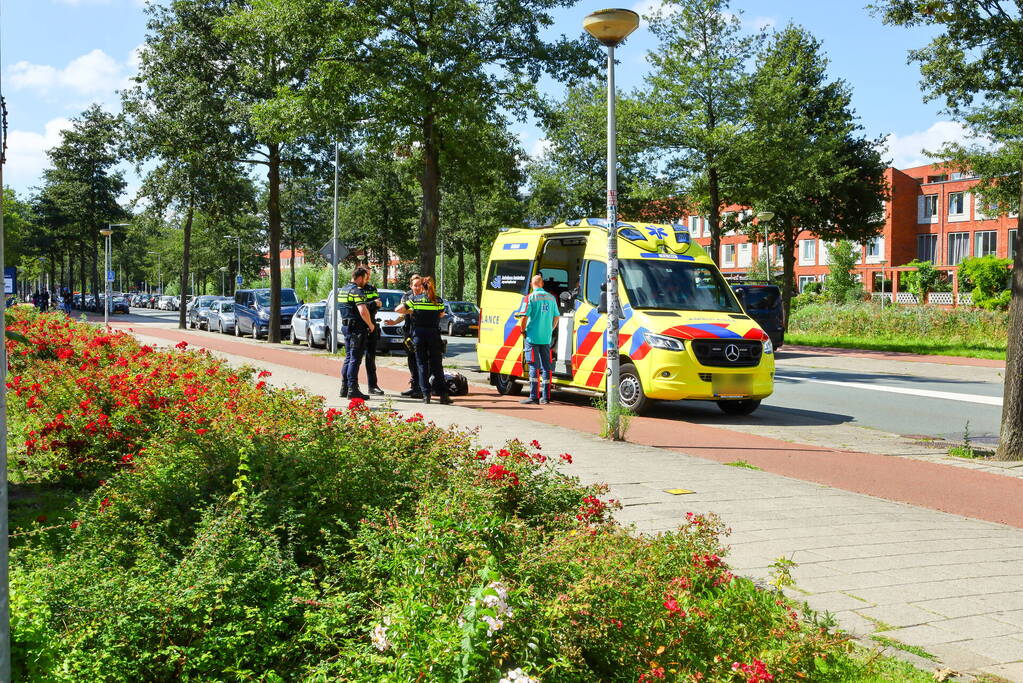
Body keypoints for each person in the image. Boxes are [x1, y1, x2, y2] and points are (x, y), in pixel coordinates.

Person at [396, 275, 451, 405]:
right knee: (437, 365)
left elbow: (398, 309)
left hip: (419, 335)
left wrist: (413, 311)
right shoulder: (438, 300)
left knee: (421, 364)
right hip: (434, 334)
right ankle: (443, 395)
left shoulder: (415, 299)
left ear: (422, 286)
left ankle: (426, 395)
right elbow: (441, 314)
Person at [515, 274, 559, 405]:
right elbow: (557, 317)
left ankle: (534, 396)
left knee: (534, 365)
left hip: (532, 337)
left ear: (531, 285)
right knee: (547, 367)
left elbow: (523, 317)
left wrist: (522, 331)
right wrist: (550, 329)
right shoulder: (551, 298)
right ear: (542, 284)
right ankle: (546, 397)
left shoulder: (529, 298)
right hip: (546, 338)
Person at [338, 267, 376, 401]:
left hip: (346, 327)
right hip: (356, 329)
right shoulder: (357, 291)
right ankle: (353, 389)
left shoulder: (343, 290)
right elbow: (363, 311)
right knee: (355, 359)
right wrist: (371, 325)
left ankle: (344, 387)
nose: (366, 281)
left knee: (348, 358)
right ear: (359, 278)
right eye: (365, 278)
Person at [399, 275, 424, 399]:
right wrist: (394, 322)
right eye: (415, 285)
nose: (417, 287)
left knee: (421, 359)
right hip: (409, 331)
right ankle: (414, 386)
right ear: (411, 286)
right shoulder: (406, 296)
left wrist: (412, 310)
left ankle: (421, 388)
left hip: (420, 331)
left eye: (419, 285)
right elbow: (401, 312)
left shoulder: (426, 296)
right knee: (411, 358)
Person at [360, 275, 385, 396]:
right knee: (354, 358)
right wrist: (372, 304)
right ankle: (350, 386)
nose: (368, 278)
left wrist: (370, 305)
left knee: (371, 358)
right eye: (366, 275)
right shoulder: (354, 289)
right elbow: (359, 308)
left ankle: (373, 386)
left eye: (369, 275)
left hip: (372, 324)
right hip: (359, 325)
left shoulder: (371, 288)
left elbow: (378, 304)